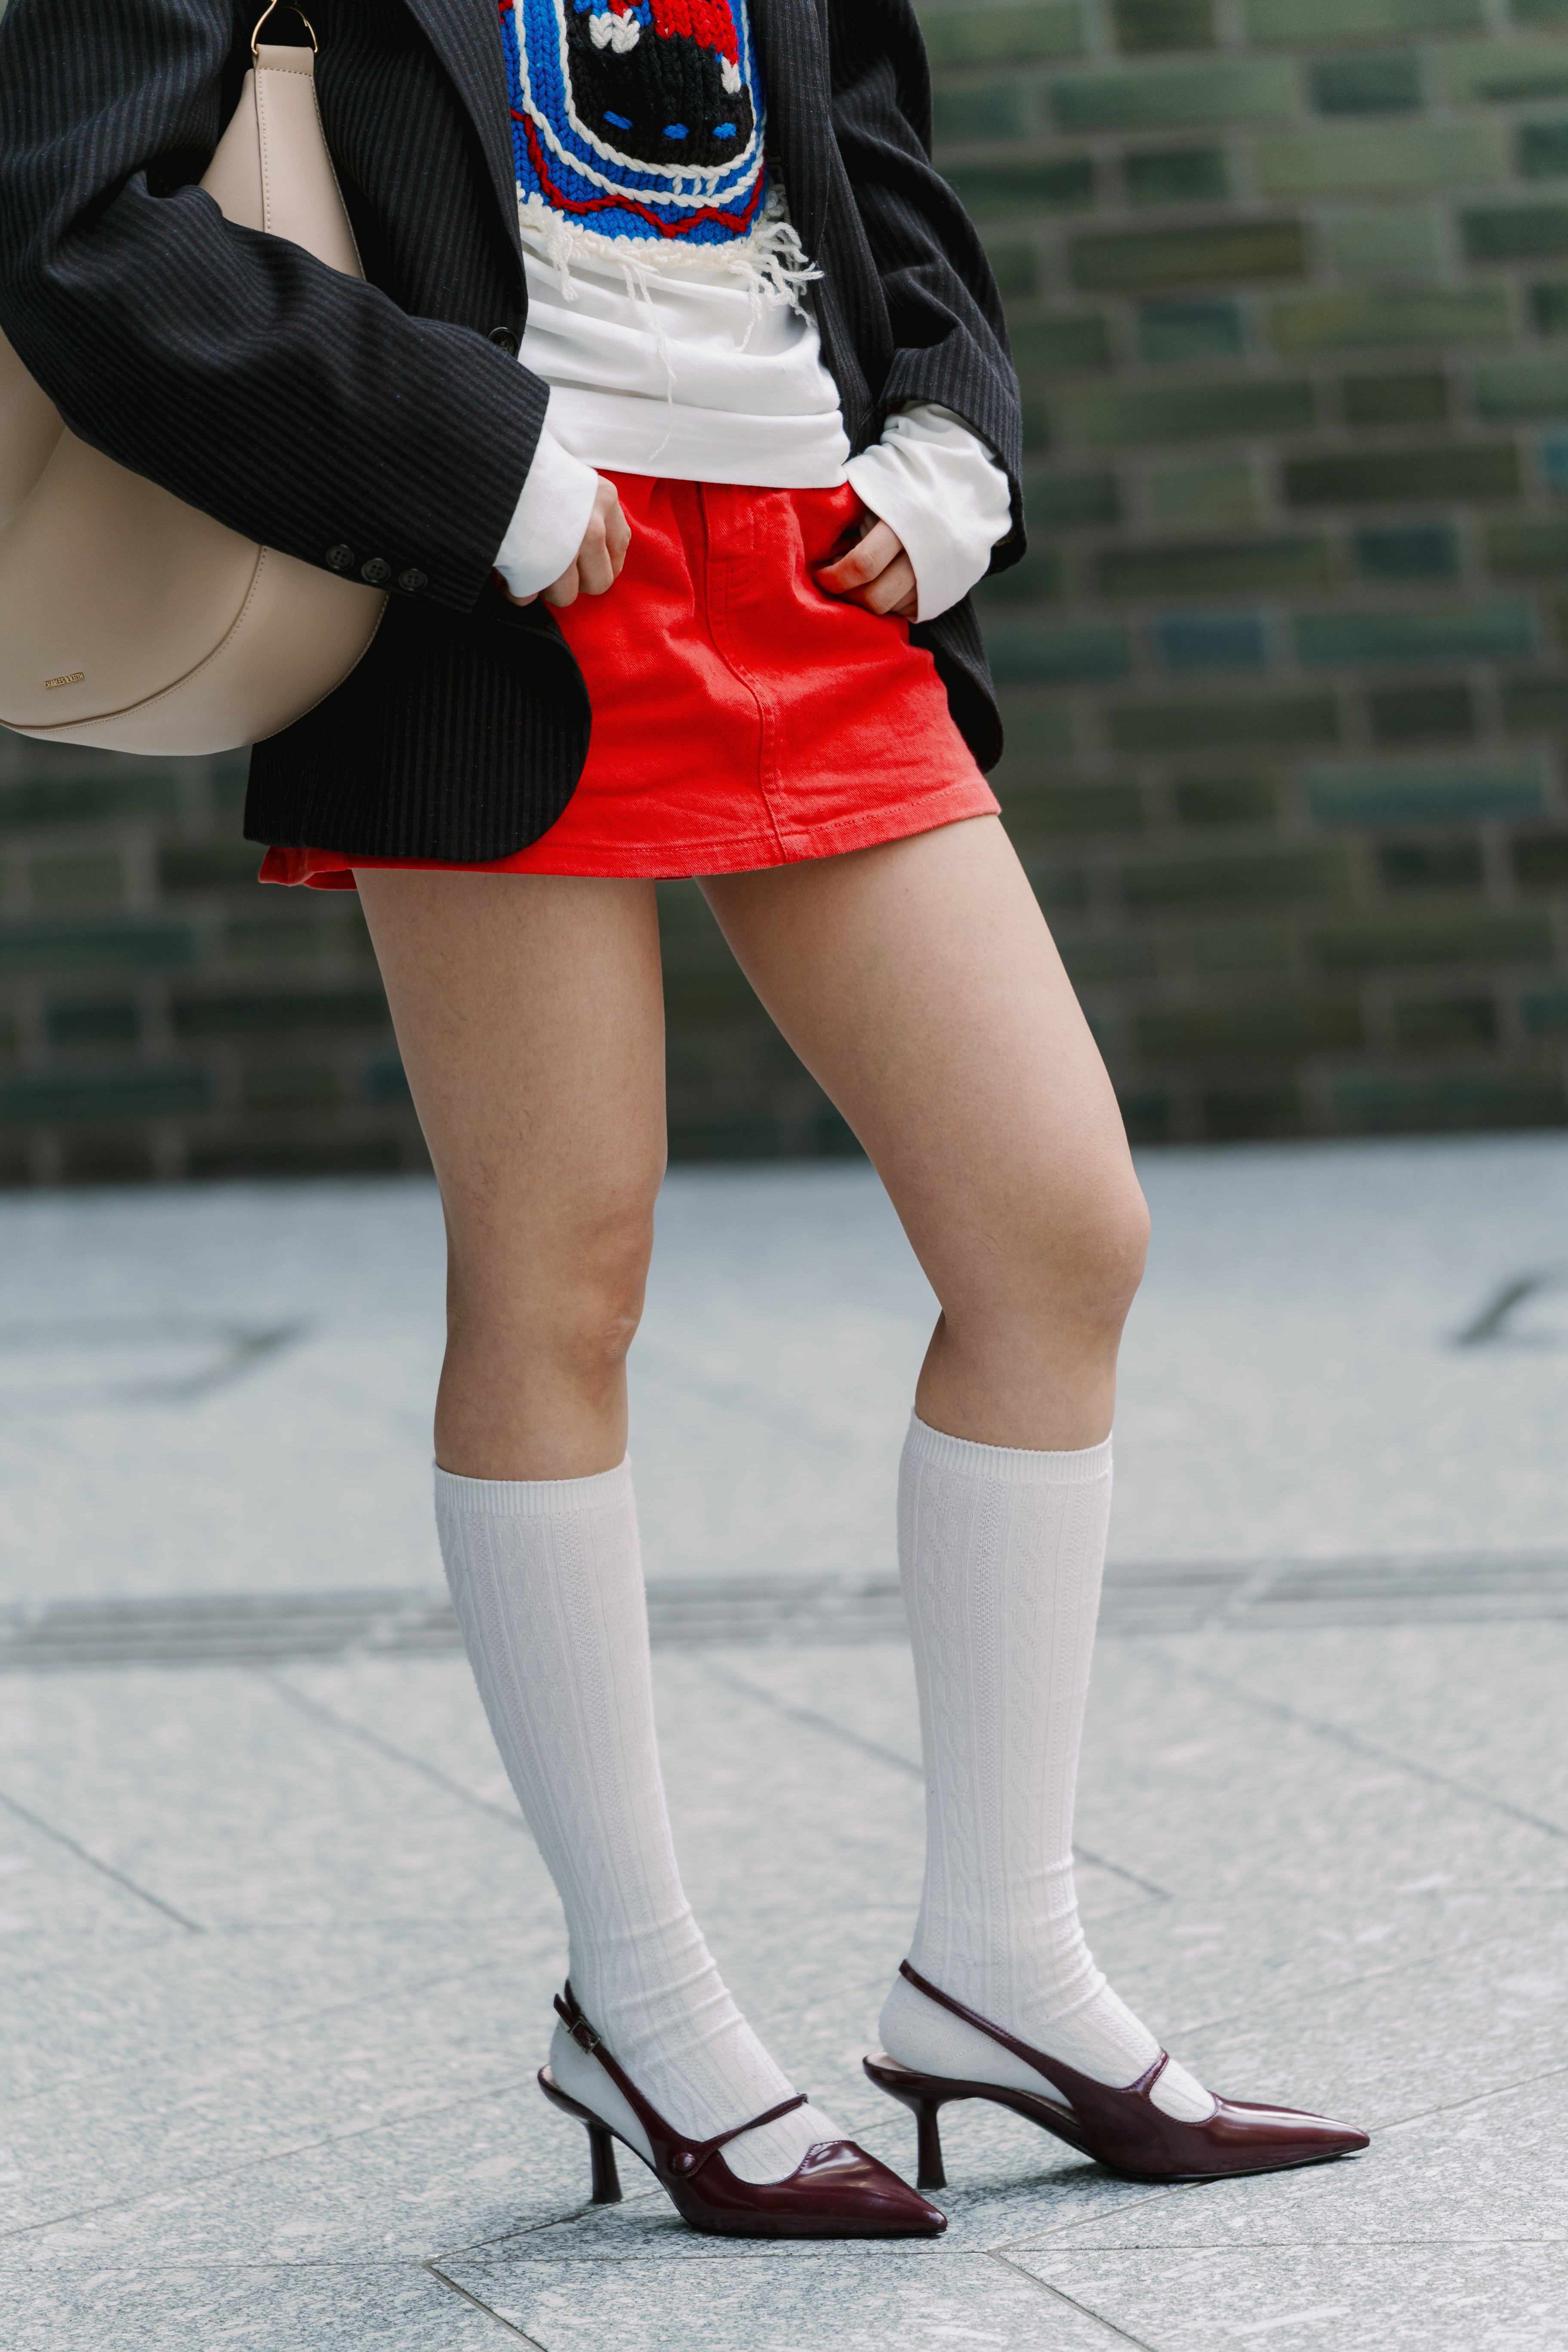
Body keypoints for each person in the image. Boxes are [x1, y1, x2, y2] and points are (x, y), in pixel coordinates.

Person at [0, 0, 1367, 2240]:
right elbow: (71, 212)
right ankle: (636, 1999)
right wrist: (479, 467)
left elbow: (869, 141)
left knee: (1057, 1235)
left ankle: (1001, 1965)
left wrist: (956, 432)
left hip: (821, 560)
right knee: (563, 1275)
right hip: (497, 575)